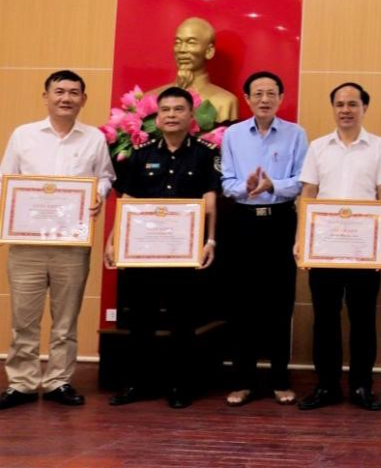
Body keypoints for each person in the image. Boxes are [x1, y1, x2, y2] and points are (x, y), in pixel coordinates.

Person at [0, 70, 114, 411]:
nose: (66, 98)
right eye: (59, 91)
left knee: (66, 318)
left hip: (72, 242)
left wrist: (98, 194)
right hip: (27, 243)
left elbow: (105, 176)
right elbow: (6, 178)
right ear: (46, 96)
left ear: (83, 99)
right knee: (24, 318)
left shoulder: (94, 138)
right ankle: (21, 383)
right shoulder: (24, 135)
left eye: (74, 92)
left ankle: (58, 381)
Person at [105, 87, 219, 409]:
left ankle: (180, 385)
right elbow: (127, 201)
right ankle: (137, 384)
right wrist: (113, 240)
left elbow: (210, 202)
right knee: (140, 320)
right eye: (165, 110)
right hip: (143, 251)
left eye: (178, 109)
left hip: (185, 253)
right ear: (156, 117)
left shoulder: (205, 154)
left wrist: (210, 240)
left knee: (182, 321)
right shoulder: (141, 154)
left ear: (191, 116)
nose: (171, 115)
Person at [297, 82, 381, 412]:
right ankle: (326, 386)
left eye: (353, 104)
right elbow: (308, 194)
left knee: (363, 320)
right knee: (325, 320)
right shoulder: (318, 147)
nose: (346, 110)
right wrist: (301, 238)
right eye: (339, 104)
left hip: (364, 249)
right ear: (333, 108)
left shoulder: (380, 147)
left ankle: (361, 387)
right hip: (323, 247)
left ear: (364, 108)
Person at [218, 71, 308, 407]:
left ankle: (280, 379)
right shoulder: (233, 134)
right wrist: (245, 187)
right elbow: (226, 181)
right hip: (241, 222)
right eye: (258, 93)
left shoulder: (296, 134)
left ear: (281, 98)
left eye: (271, 93)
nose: (264, 99)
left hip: (280, 222)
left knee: (280, 303)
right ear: (247, 98)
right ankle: (243, 380)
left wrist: (273, 185)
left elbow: (302, 180)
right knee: (241, 303)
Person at [150, 17, 239, 121]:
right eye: (178, 42)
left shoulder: (225, 102)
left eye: (191, 43)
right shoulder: (151, 99)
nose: (182, 50)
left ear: (209, 51)